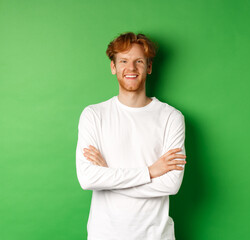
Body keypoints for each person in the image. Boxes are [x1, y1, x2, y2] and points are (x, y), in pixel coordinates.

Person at [75, 32, 187, 240]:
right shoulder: (93, 115)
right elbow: (88, 178)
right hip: (104, 235)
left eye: (139, 62)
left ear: (149, 67)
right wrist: (150, 171)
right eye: (124, 61)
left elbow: (171, 184)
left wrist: (108, 176)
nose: (131, 68)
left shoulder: (171, 117)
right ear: (113, 67)